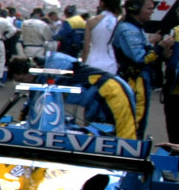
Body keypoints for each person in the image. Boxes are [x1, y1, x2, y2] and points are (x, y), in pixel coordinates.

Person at [8, 52, 138, 138]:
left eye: (22, 80)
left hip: (112, 92)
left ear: (27, 72)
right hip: (93, 102)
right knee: (99, 141)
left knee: (124, 140)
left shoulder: (55, 62)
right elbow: (33, 103)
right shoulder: (41, 79)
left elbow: (37, 97)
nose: (23, 84)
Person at [112, 0, 174, 133]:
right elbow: (140, 59)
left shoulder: (134, 27)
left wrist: (160, 53)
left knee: (137, 122)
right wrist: (160, 47)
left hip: (138, 80)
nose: (152, 11)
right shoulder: (128, 29)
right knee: (134, 123)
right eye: (149, 8)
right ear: (136, 9)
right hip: (133, 82)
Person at [83, 0, 121, 74]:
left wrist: (82, 65)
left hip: (93, 61)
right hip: (112, 63)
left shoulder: (91, 21)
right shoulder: (119, 23)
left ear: (102, 3)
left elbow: (86, 47)